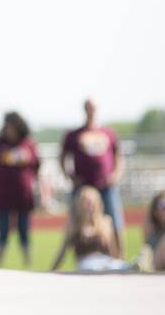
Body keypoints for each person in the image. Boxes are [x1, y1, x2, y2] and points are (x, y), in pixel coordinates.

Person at [60, 97, 125, 257]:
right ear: (84, 110)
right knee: (75, 223)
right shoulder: (74, 134)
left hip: (105, 186)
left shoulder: (108, 133)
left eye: (93, 108)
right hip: (83, 189)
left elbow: (119, 157)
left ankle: (119, 257)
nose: (91, 111)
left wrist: (116, 175)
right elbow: (62, 157)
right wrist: (70, 176)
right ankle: (77, 257)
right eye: (88, 108)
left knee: (115, 222)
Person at [0, 112, 40, 267]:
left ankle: (28, 262)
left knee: (24, 230)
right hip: (3, 193)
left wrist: (34, 183)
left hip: (23, 194)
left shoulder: (28, 144)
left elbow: (37, 165)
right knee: (2, 231)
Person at [50, 186, 132, 272]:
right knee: (93, 267)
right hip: (86, 264)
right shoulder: (73, 224)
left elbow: (113, 251)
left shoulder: (105, 222)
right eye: (85, 202)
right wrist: (51, 272)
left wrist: (118, 263)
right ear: (80, 203)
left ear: (97, 203)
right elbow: (62, 253)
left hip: (105, 262)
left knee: (121, 266)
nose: (89, 205)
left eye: (91, 202)